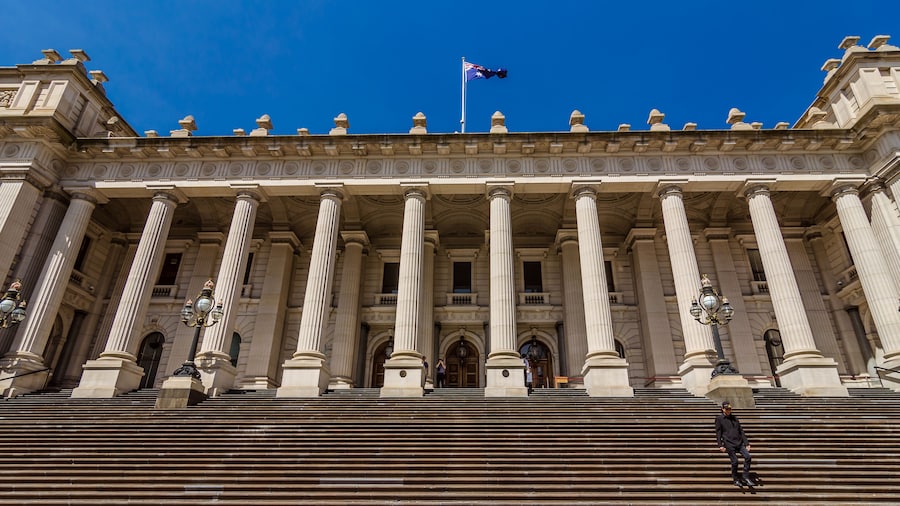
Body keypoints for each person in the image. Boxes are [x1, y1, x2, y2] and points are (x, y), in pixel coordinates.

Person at [715, 401, 755, 487]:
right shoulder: (719, 419)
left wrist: (747, 443)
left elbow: (741, 431)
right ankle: (736, 479)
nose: (728, 411)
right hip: (729, 443)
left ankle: (745, 476)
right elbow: (718, 433)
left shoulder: (734, 418)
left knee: (748, 457)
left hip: (739, 442)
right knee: (735, 461)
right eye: (727, 409)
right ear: (722, 409)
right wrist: (720, 445)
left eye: (729, 409)